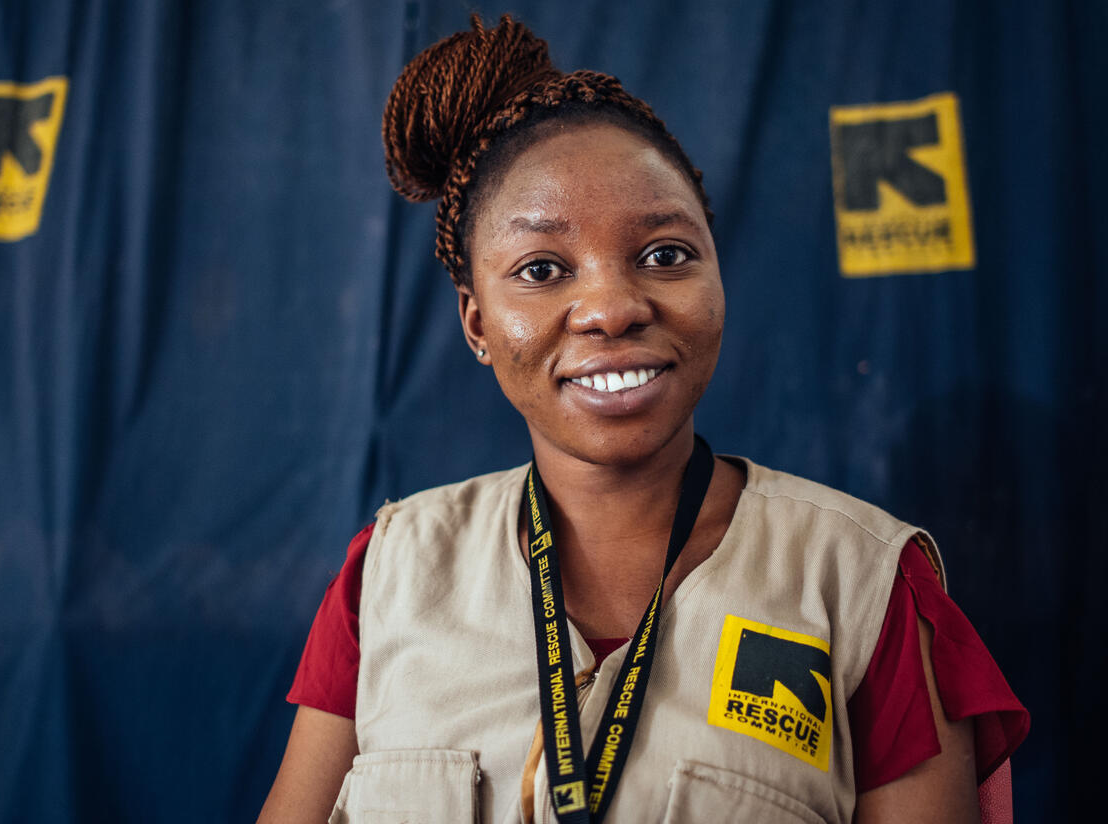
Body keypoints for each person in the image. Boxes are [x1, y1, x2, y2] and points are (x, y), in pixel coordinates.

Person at [258, 15, 1027, 824]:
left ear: (719, 277)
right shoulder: (388, 574)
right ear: (477, 323)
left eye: (665, 255)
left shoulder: (863, 588)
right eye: (543, 269)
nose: (612, 309)